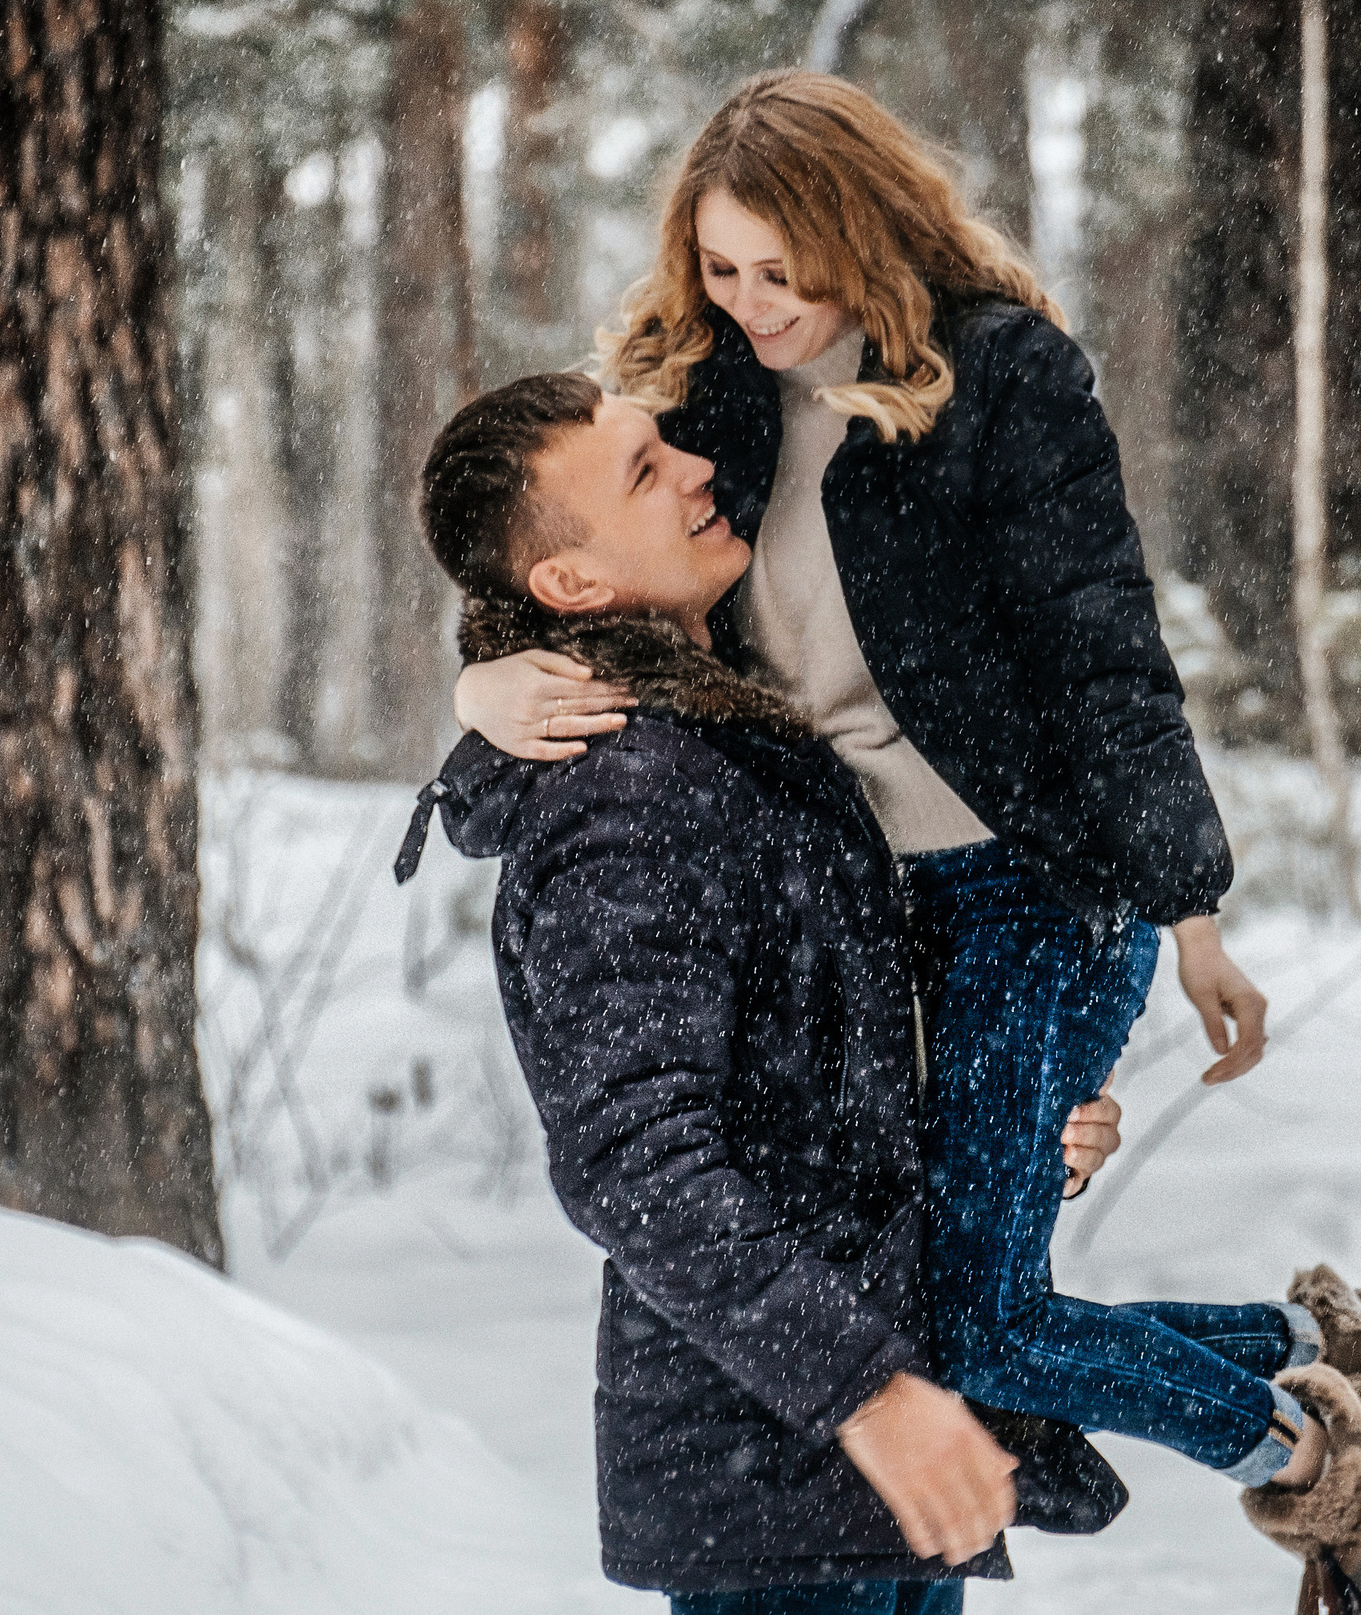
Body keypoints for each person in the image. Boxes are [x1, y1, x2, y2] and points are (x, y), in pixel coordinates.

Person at [450, 70, 1361, 1606]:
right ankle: (1346, 1341)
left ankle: (1328, 1467)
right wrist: (479, 683)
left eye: (782, 273)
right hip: (867, 918)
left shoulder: (1001, 379)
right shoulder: (709, 405)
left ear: (862, 234)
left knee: (985, 1326)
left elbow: (1103, 649)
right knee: (947, 1307)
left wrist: (1188, 906)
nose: (752, 305)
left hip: (1024, 898)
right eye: (721, 270)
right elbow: (558, 556)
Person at [401, 373, 1137, 1609]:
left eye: (666, 445)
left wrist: (1005, 1117)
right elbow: (637, 1163)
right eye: (641, 472)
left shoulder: (730, 735)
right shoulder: (629, 799)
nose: (693, 468)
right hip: (781, 1482)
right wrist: (863, 1390)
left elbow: (818, 1060)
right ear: (571, 586)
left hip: (854, 1477)